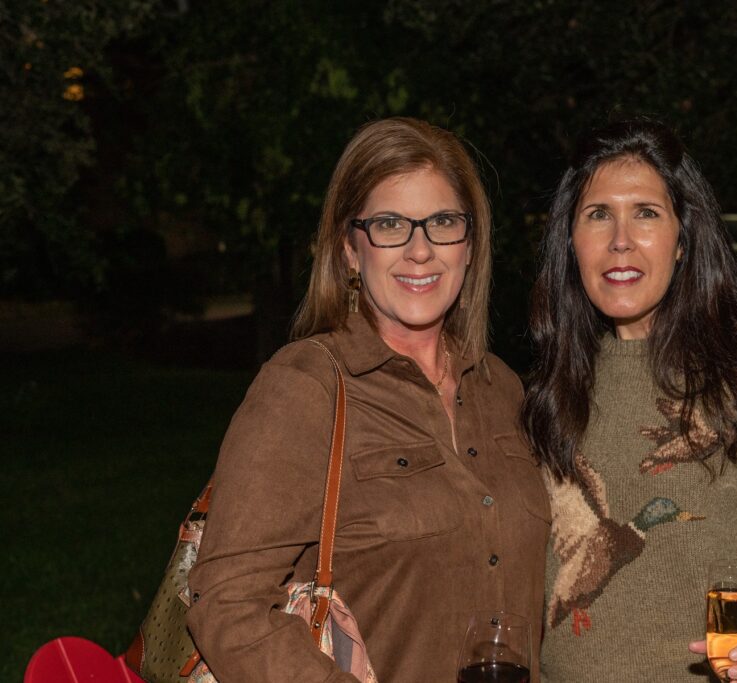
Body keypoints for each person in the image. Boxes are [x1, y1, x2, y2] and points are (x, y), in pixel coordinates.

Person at [187, 117, 549, 683]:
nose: (420, 251)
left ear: (471, 245)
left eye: (443, 223)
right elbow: (228, 605)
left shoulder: (501, 387)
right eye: (389, 225)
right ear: (350, 250)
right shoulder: (305, 387)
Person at [523, 119, 737, 683]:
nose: (620, 240)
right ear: (571, 242)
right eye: (598, 214)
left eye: (646, 213)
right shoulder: (550, 392)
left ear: (683, 241)